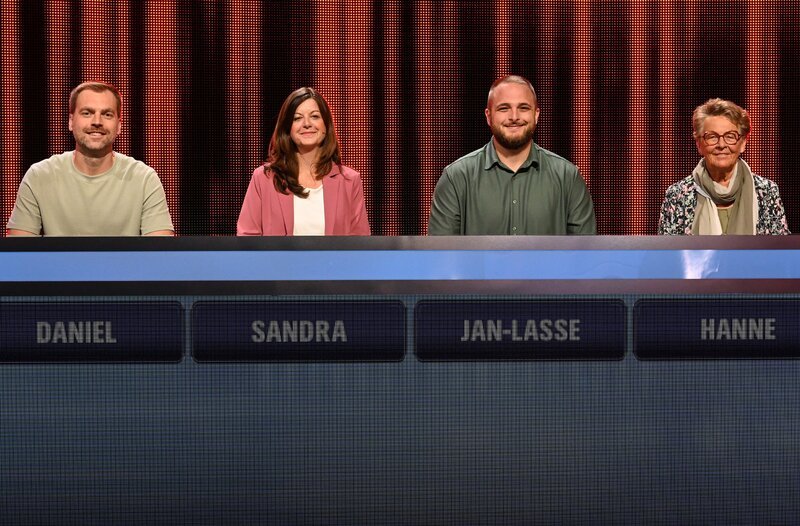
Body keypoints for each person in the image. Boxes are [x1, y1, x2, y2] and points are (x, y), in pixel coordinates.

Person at [428, 75, 595, 235]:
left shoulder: (568, 177)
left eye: (523, 108)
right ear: (488, 116)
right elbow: (441, 252)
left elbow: (586, 251)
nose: (514, 117)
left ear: (536, 115)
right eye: (504, 108)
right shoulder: (456, 178)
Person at [6, 81, 174, 236]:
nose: (97, 122)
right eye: (87, 113)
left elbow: (161, 253)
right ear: (71, 121)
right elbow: (17, 253)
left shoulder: (144, 179)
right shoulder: (39, 176)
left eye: (107, 114)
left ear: (119, 125)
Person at [237, 87, 370, 236]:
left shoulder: (349, 181)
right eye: (297, 118)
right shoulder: (263, 178)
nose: (307, 123)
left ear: (326, 125)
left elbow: (360, 243)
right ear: (288, 128)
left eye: (315, 116)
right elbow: (247, 238)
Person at [659, 98, 789, 235]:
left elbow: (780, 247)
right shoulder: (678, 195)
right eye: (712, 137)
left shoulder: (766, 192)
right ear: (699, 144)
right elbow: (668, 248)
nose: (721, 145)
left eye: (730, 136)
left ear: (743, 143)